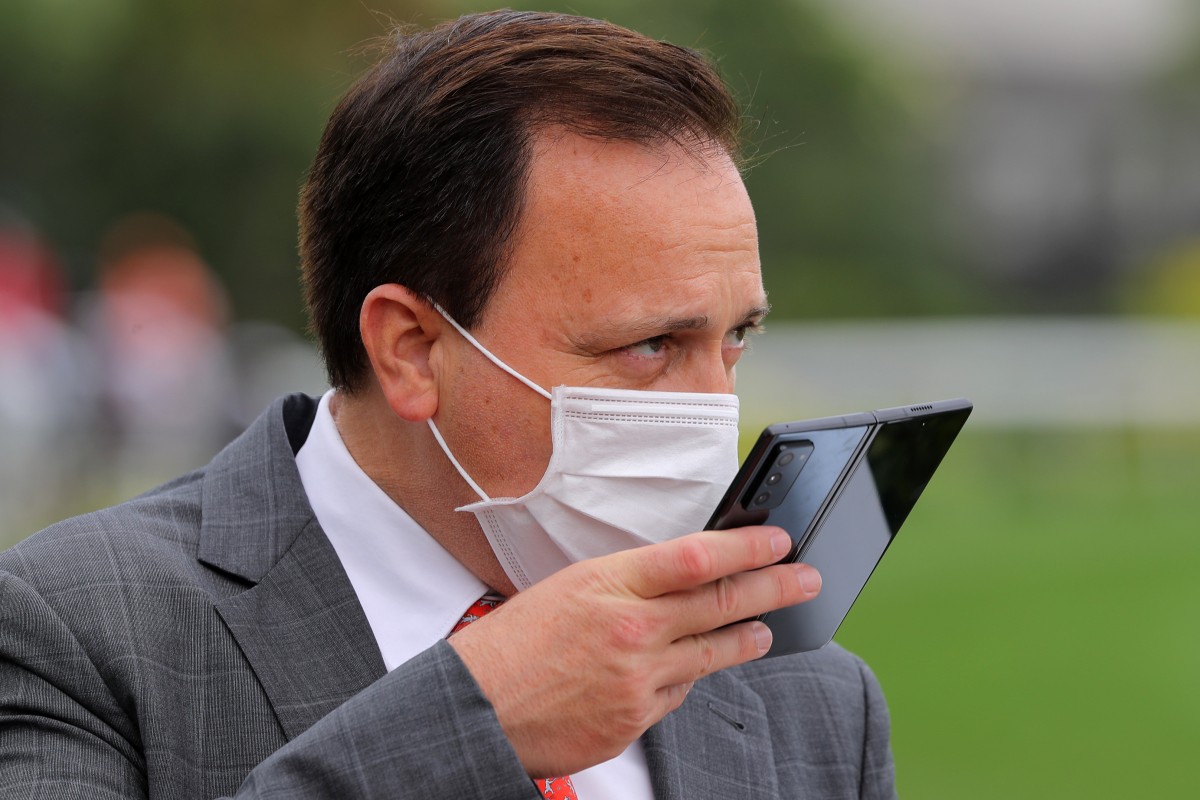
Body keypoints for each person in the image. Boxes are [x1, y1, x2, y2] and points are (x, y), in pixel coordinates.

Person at [0, 10, 896, 799]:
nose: (716, 411)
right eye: (652, 346)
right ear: (411, 350)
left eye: (736, 338)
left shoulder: (808, 695)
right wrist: (467, 730)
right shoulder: (76, 634)